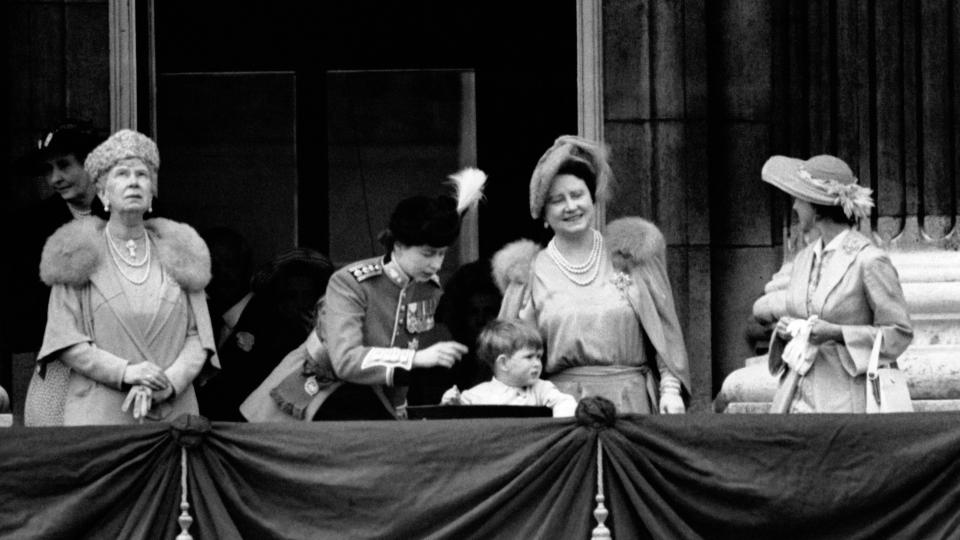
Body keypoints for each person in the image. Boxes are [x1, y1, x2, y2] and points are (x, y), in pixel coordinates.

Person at [241, 168, 486, 421]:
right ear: (399, 246)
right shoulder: (350, 282)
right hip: (314, 391)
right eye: (427, 254)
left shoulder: (428, 289)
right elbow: (345, 361)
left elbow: (402, 362)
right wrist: (416, 359)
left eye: (442, 254)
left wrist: (399, 409)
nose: (436, 264)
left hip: (370, 396)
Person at [28, 129, 218, 425]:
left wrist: (169, 383)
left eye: (142, 175)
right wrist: (126, 373)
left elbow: (200, 337)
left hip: (173, 412)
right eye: (121, 175)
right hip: (100, 414)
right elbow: (63, 338)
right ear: (102, 192)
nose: (133, 182)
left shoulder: (182, 249)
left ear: (152, 190)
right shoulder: (73, 253)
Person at [494, 135, 690, 414]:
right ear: (544, 214)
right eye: (557, 200)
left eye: (577, 195)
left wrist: (671, 392)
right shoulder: (529, 273)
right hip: (563, 411)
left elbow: (666, 336)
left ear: (592, 198)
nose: (570, 207)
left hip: (631, 405)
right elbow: (511, 359)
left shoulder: (630, 255)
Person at [761, 154, 913, 413]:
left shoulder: (869, 260)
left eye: (800, 199)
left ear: (817, 207)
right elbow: (801, 315)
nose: (795, 206)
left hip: (844, 404)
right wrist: (786, 329)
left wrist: (838, 333)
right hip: (793, 400)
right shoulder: (803, 258)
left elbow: (899, 332)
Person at [9, 122, 106, 419]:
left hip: (120, 358)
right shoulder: (31, 227)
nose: (55, 179)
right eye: (48, 170)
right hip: (56, 364)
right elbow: (22, 310)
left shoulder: (132, 214)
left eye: (64, 165)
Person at [199, 248, 333, 421]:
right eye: (291, 296)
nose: (300, 304)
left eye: (307, 295)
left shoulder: (326, 342)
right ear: (279, 299)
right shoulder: (268, 337)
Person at [441, 319, 576, 417]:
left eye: (539, 356)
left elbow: (565, 402)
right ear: (503, 363)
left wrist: (556, 428)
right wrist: (452, 403)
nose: (537, 363)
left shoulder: (541, 389)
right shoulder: (477, 395)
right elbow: (454, 419)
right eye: (529, 357)